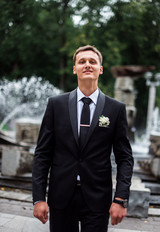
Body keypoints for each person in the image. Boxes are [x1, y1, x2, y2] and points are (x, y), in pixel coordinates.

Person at [32, 45, 134, 232]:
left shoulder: (116, 109)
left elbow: (125, 157)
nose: (87, 65)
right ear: (75, 69)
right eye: (82, 61)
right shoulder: (56, 105)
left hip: (97, 198)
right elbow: (42, 154)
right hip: (61, 197)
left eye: (92, 61)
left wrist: (120, 199)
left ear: (100, 69)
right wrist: (39, 198)